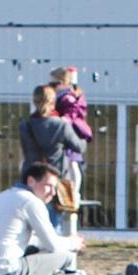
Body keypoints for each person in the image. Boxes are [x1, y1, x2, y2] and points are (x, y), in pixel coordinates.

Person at [0, 161, 82, 275]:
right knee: (66, 257)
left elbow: (36, 242)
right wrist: (74, 242)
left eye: (54, 188)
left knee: (37, 253)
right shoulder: (31, 202)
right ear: (31, 181)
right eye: (48, 186)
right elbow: (54, 246)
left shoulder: (5, 195)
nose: (53, 193)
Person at [19, 86, 81, 233]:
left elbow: (25, 151)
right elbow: (79, 146)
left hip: (31, 179)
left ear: (34, 101)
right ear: (53, 102)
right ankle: (51, 252)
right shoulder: (60, 125)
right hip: (53, 180)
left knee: (29, 225)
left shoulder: (25, 125)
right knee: (52, 226)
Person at [50, 65, 92, 225]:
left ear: (61, 83)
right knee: (73, 165)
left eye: (53, 84)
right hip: (74, 135)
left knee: (71, 165)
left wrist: (63, 120)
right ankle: (74, 192)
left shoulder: (66, 97)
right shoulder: (73, 95)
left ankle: (73, 192)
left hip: (70, 135)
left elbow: (71, 114)